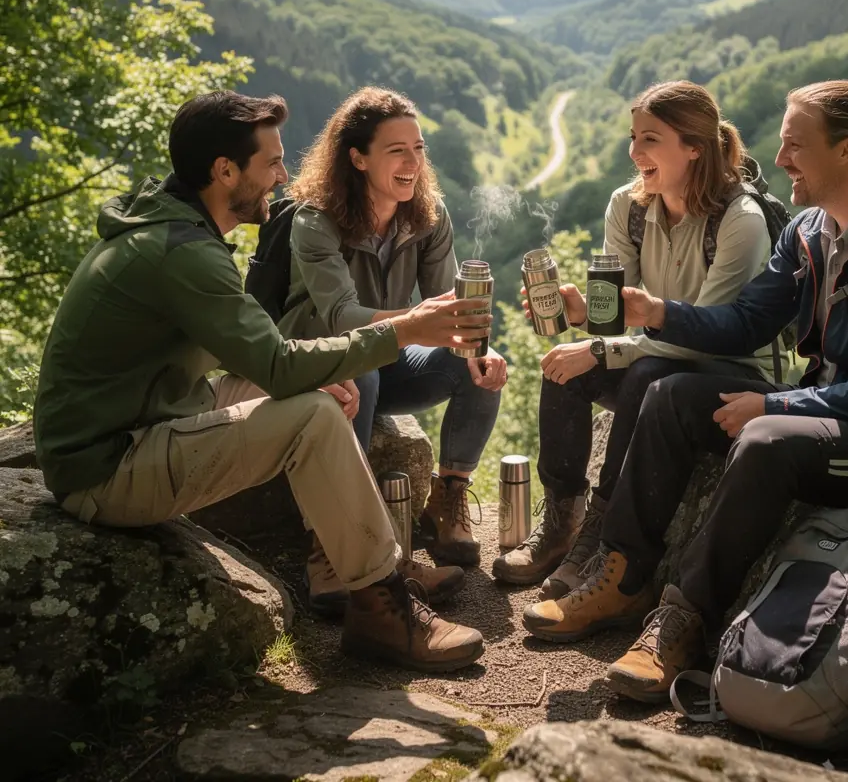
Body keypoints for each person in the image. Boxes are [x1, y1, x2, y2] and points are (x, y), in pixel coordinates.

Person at [522, 80, 848, 706]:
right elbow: (744, 323)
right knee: (669, 394)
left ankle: (684, 622)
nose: (781, 157)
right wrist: (656, 311)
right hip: (839, 417)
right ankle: (623, 579)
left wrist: (776, 403)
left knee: (766, 441)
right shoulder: (811, 230)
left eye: (796, 145)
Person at [34, 90, 493, 673]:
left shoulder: (176, 231)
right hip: (107, 467)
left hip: (153, 413)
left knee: (324, 390)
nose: (284, 174)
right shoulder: (182, 253)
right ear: (225, 171)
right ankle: (381, 606)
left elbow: (260, 359)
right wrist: (404, 330)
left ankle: (359, 558)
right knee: (315, 411)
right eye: (271, 162)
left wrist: (314, 377)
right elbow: (276, 365)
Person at [493, 80, 780, 594]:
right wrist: (581, 315)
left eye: (650, 139)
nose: (633, 152)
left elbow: (708, 334)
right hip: (659, 352)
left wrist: (602, 348)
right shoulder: (627, 206)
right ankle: (562, 523)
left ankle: (602, 533)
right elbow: (618, 313)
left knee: (643, 373)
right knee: (564, 368)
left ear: (693, 147)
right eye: (633, 137)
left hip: (730, 368)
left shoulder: (742, 221)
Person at [280, 87, 507, 569]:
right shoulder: (315, 220)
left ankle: (446, 501)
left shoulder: (428, 214)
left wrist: (477, 347)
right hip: (320, 362)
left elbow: (446, 307)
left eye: (419, 148)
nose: (413, 161)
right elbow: (342, 318)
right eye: (397, 150)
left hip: (389, 359)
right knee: (359, 364)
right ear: (358, 158)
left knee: (472, 361)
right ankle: (331, 541)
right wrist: (416, 324)